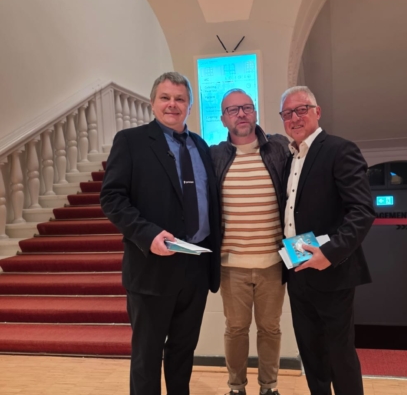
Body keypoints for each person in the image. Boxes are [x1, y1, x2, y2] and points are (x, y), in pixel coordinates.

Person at [100, 72, 221, 395]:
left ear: (190, 106)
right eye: (165, 98)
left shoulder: (201, 146)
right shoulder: (131, 142)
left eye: (180, 99)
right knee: (147, 356)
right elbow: (112, 198)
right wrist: (147, 234)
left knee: (183, 352)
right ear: (152, 103)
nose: (172, 104)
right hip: (151, 267)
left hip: (196, 267)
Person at [280, 86, 375, 395]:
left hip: (332, 271)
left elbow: (362, 211)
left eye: (301, 110)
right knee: (311, 354)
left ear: (317, 112)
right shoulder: (289, 159)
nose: (294, 118)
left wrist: (330, 253)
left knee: (339, 355)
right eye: (287, 113)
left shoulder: (339, 150)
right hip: (297, 271)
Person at [210, 89, 289, 395]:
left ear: (255, 112)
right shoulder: (214, 156)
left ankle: (269, 388)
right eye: (233, 110)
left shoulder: (278, 149)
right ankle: (236, 388)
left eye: (246, 107)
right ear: (223, 119)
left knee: (270, 329)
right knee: (235, 329)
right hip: (231, 265)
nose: (241, 114)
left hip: (273, 263)